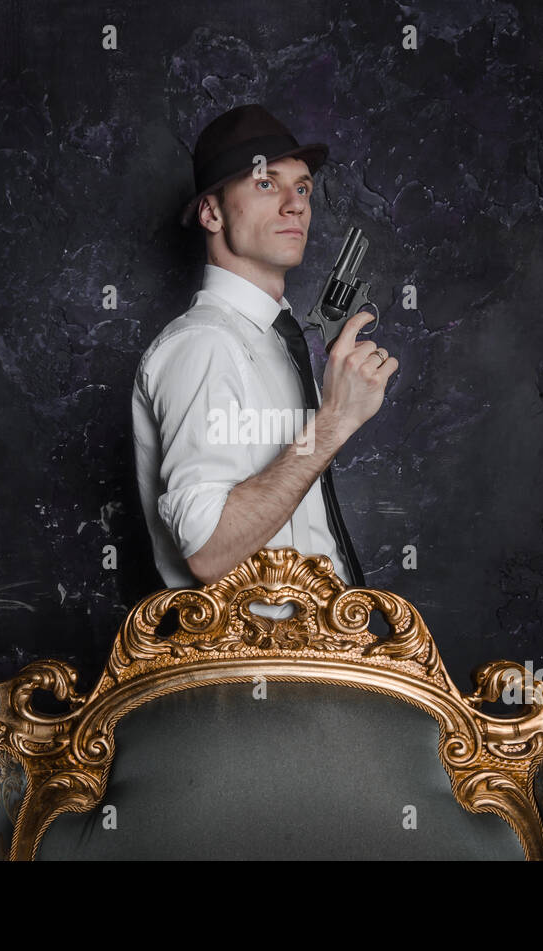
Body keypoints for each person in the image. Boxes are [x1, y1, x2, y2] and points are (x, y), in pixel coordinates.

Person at [131, 104, 398, 618]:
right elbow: (208, 552)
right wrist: (336, 421)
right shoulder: (204, 346)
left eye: (301, 188)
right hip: (259, 677)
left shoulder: (278, 340)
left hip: (316, 662)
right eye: (265, 184)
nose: (295, 204)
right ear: (211, 213)